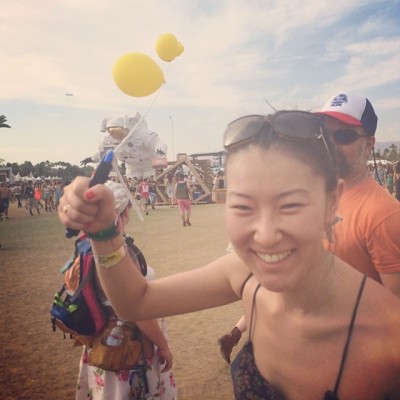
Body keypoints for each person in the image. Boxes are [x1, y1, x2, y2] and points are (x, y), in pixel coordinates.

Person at [59, 110, 400, 399]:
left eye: (292, 205)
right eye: (243, 206)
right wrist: (104, 232)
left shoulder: (389, 340)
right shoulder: (243, 274)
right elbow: (136, 301)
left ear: (332, 203)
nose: (265, 236)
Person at [75, 180, 177, 400]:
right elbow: (138, 312)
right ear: (126, 211)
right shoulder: (121, 255)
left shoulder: (87, 249)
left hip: (102, 341)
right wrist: (163, 346)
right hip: (130, 348)